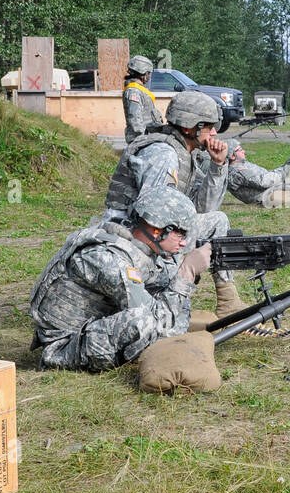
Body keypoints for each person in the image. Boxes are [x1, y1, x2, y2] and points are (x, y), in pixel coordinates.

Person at [29, 189, 212, 371]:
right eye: (180, 235)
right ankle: (165, 351)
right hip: (65, 346)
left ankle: (167, 346)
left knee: (171, 296)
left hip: (91, 328)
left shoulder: (133, 242)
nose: (183, 243)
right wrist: (187, 271)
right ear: (158, 231)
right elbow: (156, 318)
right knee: (144, 321)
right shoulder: (107, 259)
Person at [102, 91, 246, 317]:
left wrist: (218, 166)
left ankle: (228, 300)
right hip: (130, 238)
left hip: (148, 231)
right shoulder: (163, 154)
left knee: (217, 220)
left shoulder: (184, 152)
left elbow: (202, 209)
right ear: (190, 128)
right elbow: (153, 216)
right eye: (208, 126)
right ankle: (164, 299)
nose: (214, 133)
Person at [122, 54, 163, 143]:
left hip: (147, 137)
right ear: (143, 73)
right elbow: (135, 120)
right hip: (141, 139)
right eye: (149, 73)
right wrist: (142, 140)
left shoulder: (138, 89)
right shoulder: (134, 91)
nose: (149, 76)